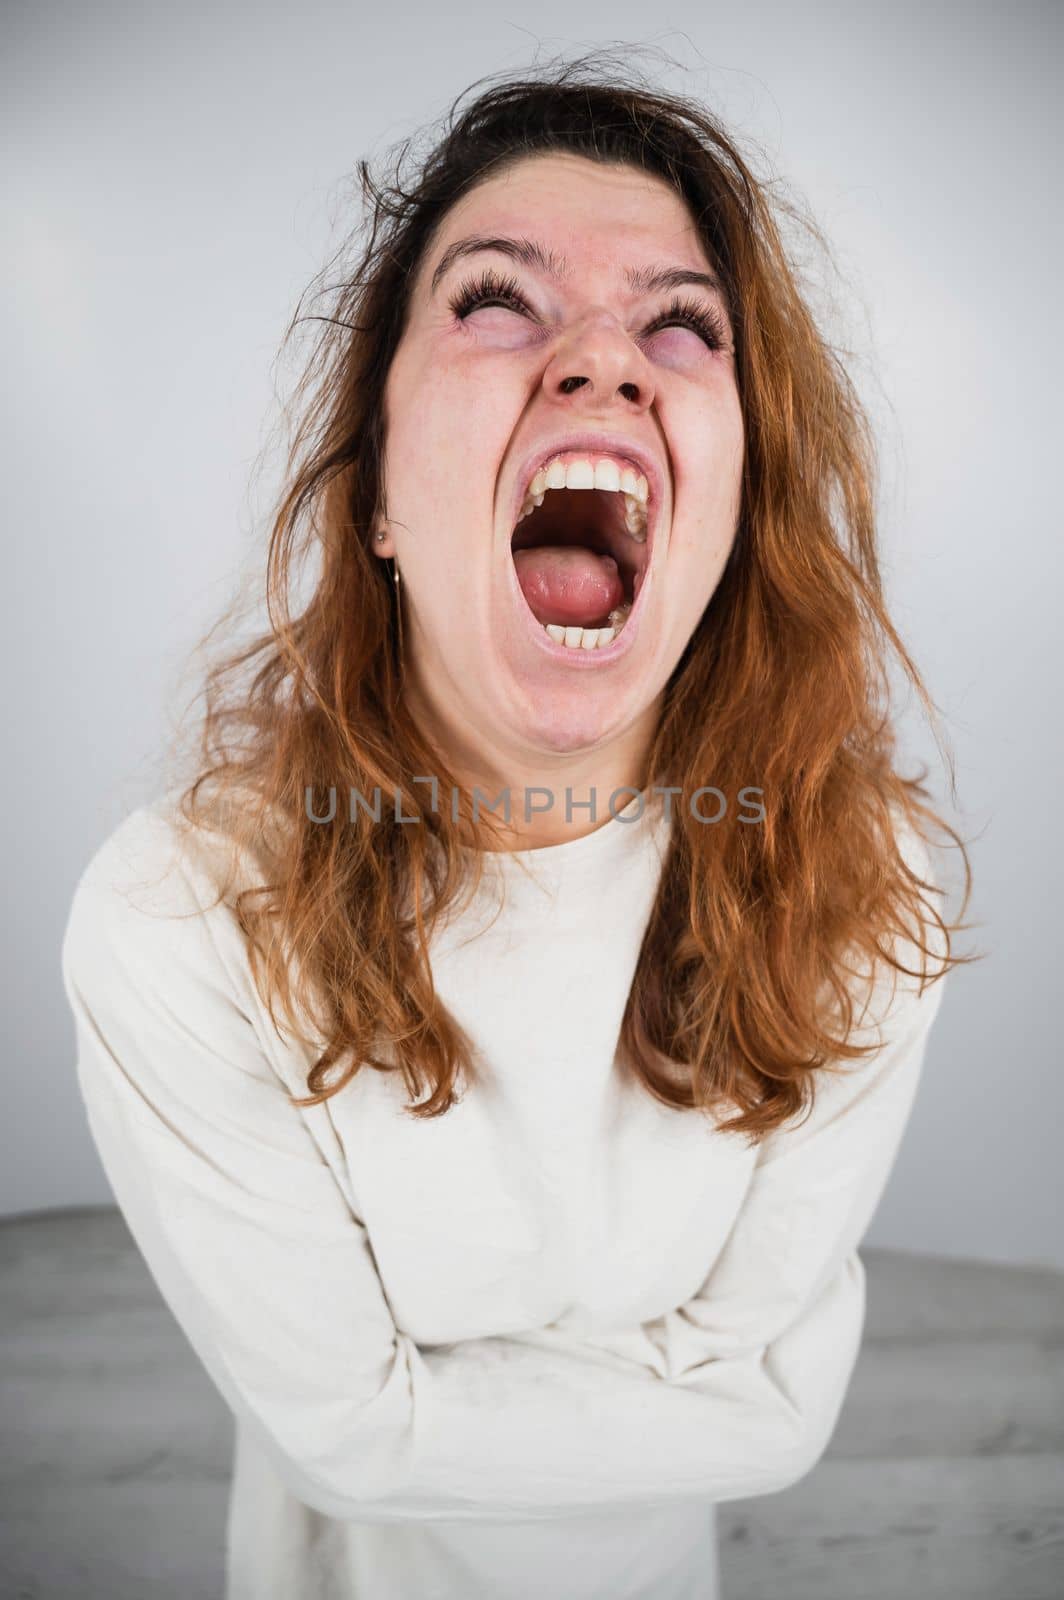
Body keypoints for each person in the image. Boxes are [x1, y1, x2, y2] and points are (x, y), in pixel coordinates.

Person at [61, 51, 974, 1600]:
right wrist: (694, 1396)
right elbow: (348, 1440)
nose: (608, 364)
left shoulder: (864, 885)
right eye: (498, 300)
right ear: (377, 502)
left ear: (737, 504)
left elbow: (776, 1425)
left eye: (681, 325)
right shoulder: (178, 922)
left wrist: (425, 1405)